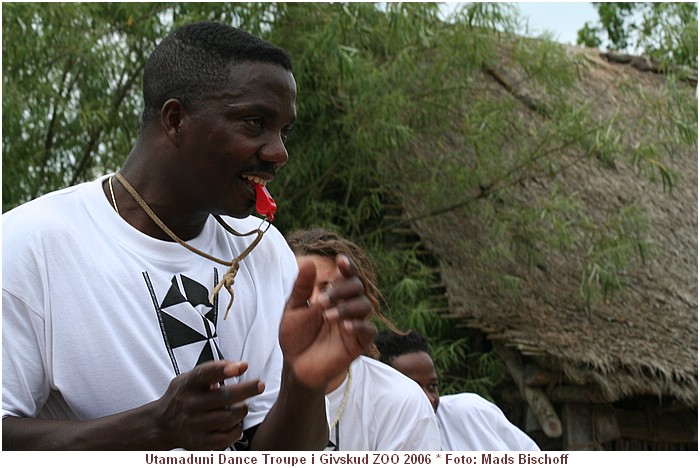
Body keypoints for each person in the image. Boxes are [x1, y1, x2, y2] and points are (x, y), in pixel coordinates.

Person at [2, 22, 376, 450]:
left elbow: (268, 453)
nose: (279, 153)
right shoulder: (32, 245)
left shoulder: (263, 249)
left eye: (283, 131)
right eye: (255, 123)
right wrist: (153, 429)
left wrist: (303, 384)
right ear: (176, 120)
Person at [286, 228, 440, 451]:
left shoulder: (401, 401)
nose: (314, 303)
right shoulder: (255, 390)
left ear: (359, 304)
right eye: (299, 291)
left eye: (328, 291)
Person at [375, 330, 540, 451]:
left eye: (432, 386)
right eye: (414, 390)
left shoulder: (472, 413)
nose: (430, 399)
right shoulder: (370, 443)